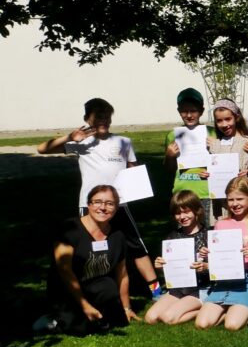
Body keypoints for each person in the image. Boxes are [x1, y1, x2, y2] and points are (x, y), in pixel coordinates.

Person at [36, 98, 160, 299]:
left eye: (107, 116)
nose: (103, 120)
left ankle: (156, 291)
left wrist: (137, 185)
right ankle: (90, 291)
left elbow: (133, 169)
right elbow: (42, 149)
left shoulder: (123, 142)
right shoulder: (81, 144)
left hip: (119, 205)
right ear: (87, 119)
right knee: (89, 250)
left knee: (136, 246)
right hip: (90, 207)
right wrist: (70, 137)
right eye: (98, 117)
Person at [47, 185, 132, 335]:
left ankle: (96, 315)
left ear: (116, 208)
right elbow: (64, 270)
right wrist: (84, 305)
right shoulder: (70, 229)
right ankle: (54, 318)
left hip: (97, 288)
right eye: (97, 202)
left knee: (109, 288)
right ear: (88, 204)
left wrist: (126, 308)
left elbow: (123, 274)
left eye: (109, 203)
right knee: (80, 330)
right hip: (67, 290)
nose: (103, 207)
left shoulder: (118, 236)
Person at [195, 177, 248, 331]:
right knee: (202, 324)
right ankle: (232, 310)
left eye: (240, 199)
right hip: (223, 282)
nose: (235, 204)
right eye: (231, 199)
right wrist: (206, 256)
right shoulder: (221, 224)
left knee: (232, 325)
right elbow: (218, 260)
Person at [145, 190, 209, 325]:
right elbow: (171, 270)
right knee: (150, 318)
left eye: (186, 211)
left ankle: (204, 309)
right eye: (178, 213)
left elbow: (218, 269)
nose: (182, 216)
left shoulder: (208, 235)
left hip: (200, 288)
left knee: (168, 318)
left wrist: (205, 266)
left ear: (196, 210)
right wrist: (161, 266)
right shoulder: (172, 237)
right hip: (179, 288)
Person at [163, 88, 214, 219]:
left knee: (208, 227)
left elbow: (221, 162)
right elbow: (169, 170)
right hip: (182, 192)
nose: (189, 115)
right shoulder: (172, 135)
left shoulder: (212, 132)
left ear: (201, 111)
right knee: (184, 228)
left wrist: (215, 147)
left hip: (206, 191)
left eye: (193, 111)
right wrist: (169, 156)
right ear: (179, 111)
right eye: (184, 111)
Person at [208, 99, 248, 223]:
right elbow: (212, 168)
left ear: (236, 117)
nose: (224, 124)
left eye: (228, 119)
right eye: (219, 121)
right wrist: (207, 175)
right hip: (221, 201)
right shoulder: (214, 144)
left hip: (243, 199)